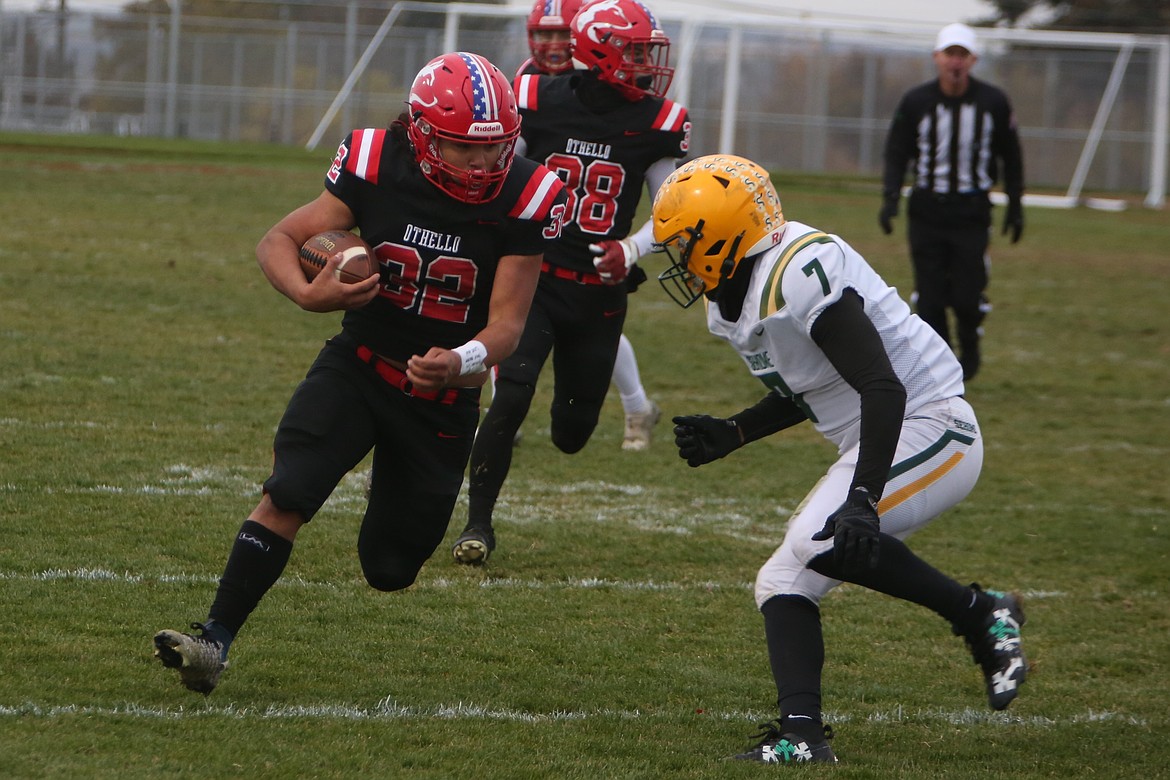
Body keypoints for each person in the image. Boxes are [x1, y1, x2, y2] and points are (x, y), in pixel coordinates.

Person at [151, 52, 567, 695]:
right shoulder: (375, 160)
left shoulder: (528, 193)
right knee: (289, 490)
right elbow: (279, 240)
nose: (484, 165)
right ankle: (213, 639)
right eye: (464, 149)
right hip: (361, 364)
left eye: (496, 149)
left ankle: (391, 484)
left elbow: (508, 326)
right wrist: (308, 294)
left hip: (440, 398)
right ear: (424, 136)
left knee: (391, 567)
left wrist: (461, 362)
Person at [652, 154, 1027, 764]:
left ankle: (982, 614)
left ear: (723, 235)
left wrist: (861, 501)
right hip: (882, 433)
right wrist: (735, 432)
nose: (680, 259)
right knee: (782, 579)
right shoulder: (736, 297)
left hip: (934, 424)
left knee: (814, 537)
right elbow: (812, 386)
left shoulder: (801, 270)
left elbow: (882, 386)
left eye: (686, 243)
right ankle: (803, 736)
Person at [450, 0, 691, 565]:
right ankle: (476, 526)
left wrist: (630, 248)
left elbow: (678, 206)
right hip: (534, 281)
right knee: (510, 396)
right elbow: (500, 175)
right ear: (600, 50)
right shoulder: (536, 99)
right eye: (634, 51)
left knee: (572, 433)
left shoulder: (659, 120)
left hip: (599, 293)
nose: (645, 64)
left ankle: (610, 412)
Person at [515, 0, 662, 452]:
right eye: (544, 33)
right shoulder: (527, 85)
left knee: (590, 325)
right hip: (541, 232)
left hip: (590, 235)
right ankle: (506, 409)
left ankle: (637, 406)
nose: (554, 45)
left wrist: (632, 246)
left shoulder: (623, 93)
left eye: (563, 34)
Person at [879, 22, 1025, 381]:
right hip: (928, 208)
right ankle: (944, 363)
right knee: (929, 299)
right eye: (950, 54)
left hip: (971, 210)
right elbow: (897, 152)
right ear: (937, 58)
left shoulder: (993, 102)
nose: (955, 62)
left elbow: (1012, 155)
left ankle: (970, 344)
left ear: (972, 59)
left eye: (962, 55)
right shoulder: (917, 101)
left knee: (965, 294)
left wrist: (1016, 205)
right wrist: (890, 198)